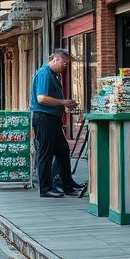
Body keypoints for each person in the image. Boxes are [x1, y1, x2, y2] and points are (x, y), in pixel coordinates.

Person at [30, 49, 85, 198]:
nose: (65, 66)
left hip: (52, 119)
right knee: (45, 153)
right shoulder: (45, 73)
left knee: (62, 151)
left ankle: (67, 184)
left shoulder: (54, 75)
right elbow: (41, 98)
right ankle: (46, 188)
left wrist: (64, 105)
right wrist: (63, 102)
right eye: (64, 62)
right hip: (44, 118)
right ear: (56, 59)